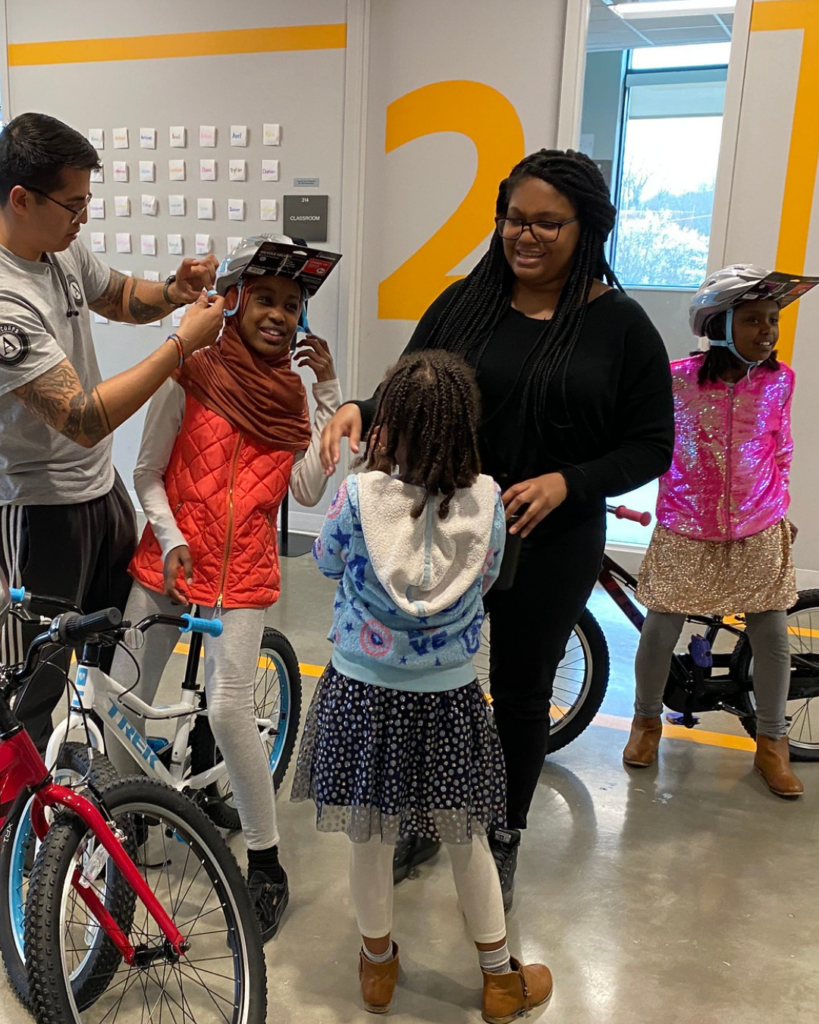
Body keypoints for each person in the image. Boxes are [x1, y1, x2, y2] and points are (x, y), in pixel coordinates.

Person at [319, 149, 674, 905]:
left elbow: (651, 444)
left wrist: (568, 480)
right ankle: (426, 815)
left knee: (517, 692)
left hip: (550, 537)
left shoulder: (620, 327)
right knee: (427, 685)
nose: (527, 235)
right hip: (439, 530)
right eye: (515, 218)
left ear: (588, 228)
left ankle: (501, 831)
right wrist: (364, 408)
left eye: (548, 223)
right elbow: (412, 386)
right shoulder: (466, 302)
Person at [293, 350, 552, 1021]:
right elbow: (490, 577)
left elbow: (324, 561)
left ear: (390, 423)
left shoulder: (358, 496)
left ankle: (377, 967)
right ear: (464, 425)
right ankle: (498, 978)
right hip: (447, 697)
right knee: (463, 837)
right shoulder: (487, 501)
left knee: (370, 839)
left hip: (361, 691)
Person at [107, 236, 343, 939]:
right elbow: (145, 472)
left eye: (291, 305)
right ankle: (122, 828)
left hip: (241, 575)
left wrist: (329, 396)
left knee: (228, 707)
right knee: (121, 698)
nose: (277, 314)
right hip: (169, 560)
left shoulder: (292, 398)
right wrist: (173, 538)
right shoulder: (193, 372)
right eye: (265, 299)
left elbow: (303, 486)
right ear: (237, 302)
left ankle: (266, 863)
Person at [0, 112, 223, 747]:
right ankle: (29, 825)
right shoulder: (5, 299)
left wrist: (174, 290)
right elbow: (84, 419)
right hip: (39, 509)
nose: (82, 220)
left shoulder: (58, 244)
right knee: (35, 681)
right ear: (21, 198)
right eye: (72, 205)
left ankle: (98, 797)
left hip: (101, 493)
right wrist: (180, 347)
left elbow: (118, 296)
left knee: (111, 652)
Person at [623, 264, 817, 799]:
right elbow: (651, 440)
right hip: (687, 525)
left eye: (772, 320)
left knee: (772, 636)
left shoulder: (781, 380)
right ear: (718, 326)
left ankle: (771, 743)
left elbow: (781, 447)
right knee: (660, 628)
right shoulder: (674, 380)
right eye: (754, 319)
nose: (768, 331)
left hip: (758, 525)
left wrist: (780, 505)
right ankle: (645, 722)